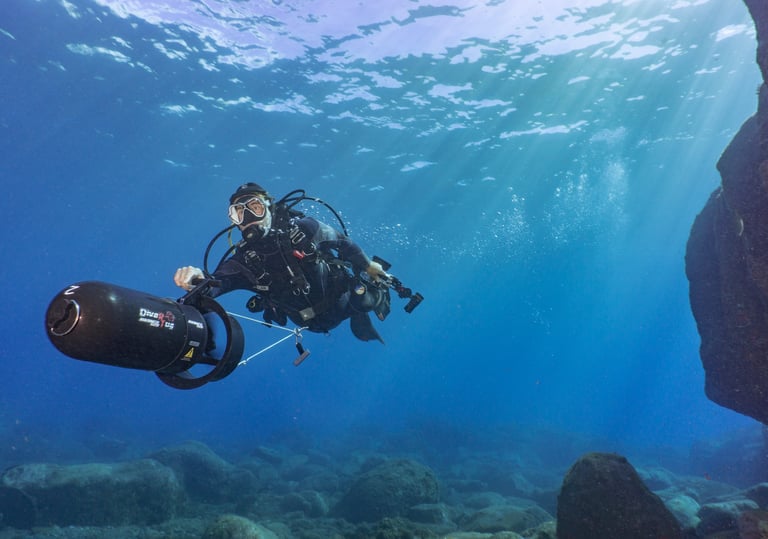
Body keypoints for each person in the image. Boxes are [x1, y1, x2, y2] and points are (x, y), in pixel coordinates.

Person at [174, 182, 391, 343]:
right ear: (234, 222)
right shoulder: (241, 262)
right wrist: (196, 280)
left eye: (255, 207)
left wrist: (368, 265)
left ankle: (375, 298)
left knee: (363, 299)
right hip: (307, 323)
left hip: (343, 301)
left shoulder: (306, 229)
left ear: (270, 208)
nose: (248, 217)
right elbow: (214, 285)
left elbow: (344, 244)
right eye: (238, 213)